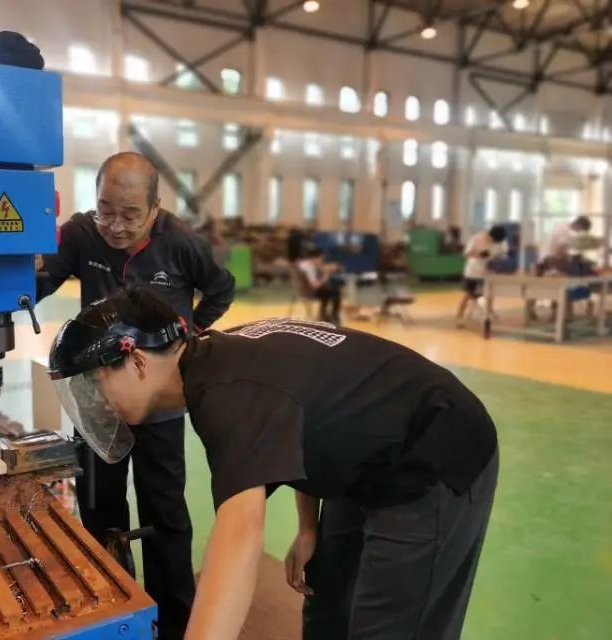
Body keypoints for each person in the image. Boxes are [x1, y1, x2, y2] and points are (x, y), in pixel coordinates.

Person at [48, 286, 499, 640]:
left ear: (137, 361)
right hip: (365, 454)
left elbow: (239, 536)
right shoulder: (215, 357)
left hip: (433, 452)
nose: (96, 400)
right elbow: (307, 416)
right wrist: (308, 527)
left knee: (392, 626)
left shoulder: (227, 395)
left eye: (95, 382)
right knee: (326, 607)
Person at [36, 152, 235, 639]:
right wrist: (8, 277)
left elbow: (221, 289)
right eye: (106, 210)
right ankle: (111, 611)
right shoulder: (81, 234)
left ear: (155, 209)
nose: (115, 226)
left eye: (130, 215)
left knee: (164, 511)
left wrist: (186, 333)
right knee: (99, 509)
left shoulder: (182, 243)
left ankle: (174, 622)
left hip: (158, 403)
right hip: (99, 399)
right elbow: (40, 282)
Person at [456, 224, 507, 327]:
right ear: (490, 235)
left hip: (488, 273)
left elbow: (501, 254)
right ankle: (459, 317)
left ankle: (489, 313)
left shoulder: (500, 243)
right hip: (473, 272)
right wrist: (478, 254)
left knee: (490, 293)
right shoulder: (477, 238)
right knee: (468, 294)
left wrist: (499, 261)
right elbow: (466, 254)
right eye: (493, 240)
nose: (494, 242)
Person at [294, 247, 343, 323]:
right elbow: (315, 286)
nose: (322, 261)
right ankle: (333, 314)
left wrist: (327, 268)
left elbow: (319, 268)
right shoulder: (309, 268)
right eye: (321, 259)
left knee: (328, 290)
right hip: (308, 292)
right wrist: (326, 275)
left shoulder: (304, 264)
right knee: (335, 292)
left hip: (302, 289)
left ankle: (324, 314)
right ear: (314, 258)